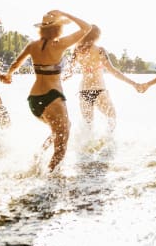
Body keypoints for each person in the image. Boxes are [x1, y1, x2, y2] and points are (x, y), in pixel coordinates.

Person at [6, 10, 92, 171]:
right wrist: (67, 14)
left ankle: (37, 158)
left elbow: (15, 65)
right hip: (53, 98)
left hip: (33, 100)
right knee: (61, 146)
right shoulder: (60, 44)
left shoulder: (32, 45)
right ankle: (50, 181)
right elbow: (87, 27)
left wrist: (8, 75)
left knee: (61, 128)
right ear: (57, 29)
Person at [65, 24, 139, 131]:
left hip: (83, 91)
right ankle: (108, 142)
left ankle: (87, 146)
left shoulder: (77, 50)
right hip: (98, 90)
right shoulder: (100, 50)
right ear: (96, 36)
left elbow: (68, 72)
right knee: (112, 116)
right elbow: (114, 71)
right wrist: (134, 83)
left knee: (88, 125)